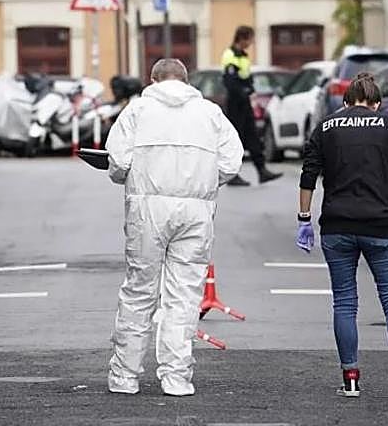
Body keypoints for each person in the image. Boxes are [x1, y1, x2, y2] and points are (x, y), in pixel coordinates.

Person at [105, 58, 243, 397]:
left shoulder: (137, 111)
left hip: (147, 208)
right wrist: (205, 182)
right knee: (184, 294)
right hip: (196, 210)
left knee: (139, 291)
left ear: (152, 79)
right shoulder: (210, 113)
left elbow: (118, 161)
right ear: (186, 80)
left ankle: (125, 376)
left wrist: (129, 176)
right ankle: (176, 377)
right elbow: (230, 161)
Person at [297, 72, 388, 400]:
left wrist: (304, 219)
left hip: (336, 226)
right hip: (381, 225)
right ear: (377, 103)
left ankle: (351, 379)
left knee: (344, 301)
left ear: (345, 102)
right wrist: (387, 193)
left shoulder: (326, 126)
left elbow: (308, 175)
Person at [220, 25, 281, 186]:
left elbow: (246, 77)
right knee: (236, 139)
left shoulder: (243, 56)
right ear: (242, 38)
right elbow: (230, 82)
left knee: (252, 135)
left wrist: (250, 89)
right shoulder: (230, 55)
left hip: (245, 101)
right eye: (250, 39)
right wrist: (245, 90)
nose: (252, 42)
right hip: (235, 103)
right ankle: (232, 175)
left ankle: (261, 170)